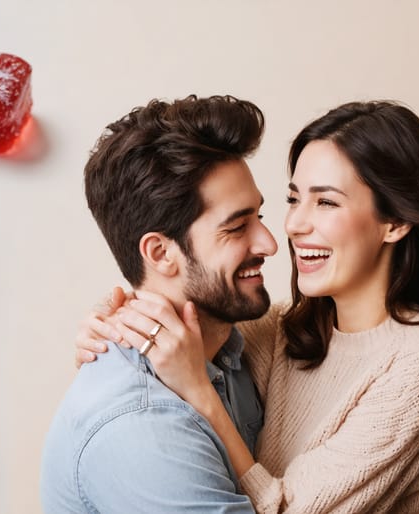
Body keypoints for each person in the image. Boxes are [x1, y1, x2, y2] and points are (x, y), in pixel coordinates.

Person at [76, 100, 419, 513]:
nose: (293, 225)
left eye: (325, 201)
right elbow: (187, 310)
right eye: (293, 198)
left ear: (395, 221)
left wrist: (199, 392)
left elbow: (288, 508)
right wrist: (112, 326)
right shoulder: (284, 331)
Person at [40, 94, 280, 513]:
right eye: (237, 226)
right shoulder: (144, 430)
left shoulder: (235, 350)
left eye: (260, 216)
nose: (269, 243)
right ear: (160, 253)